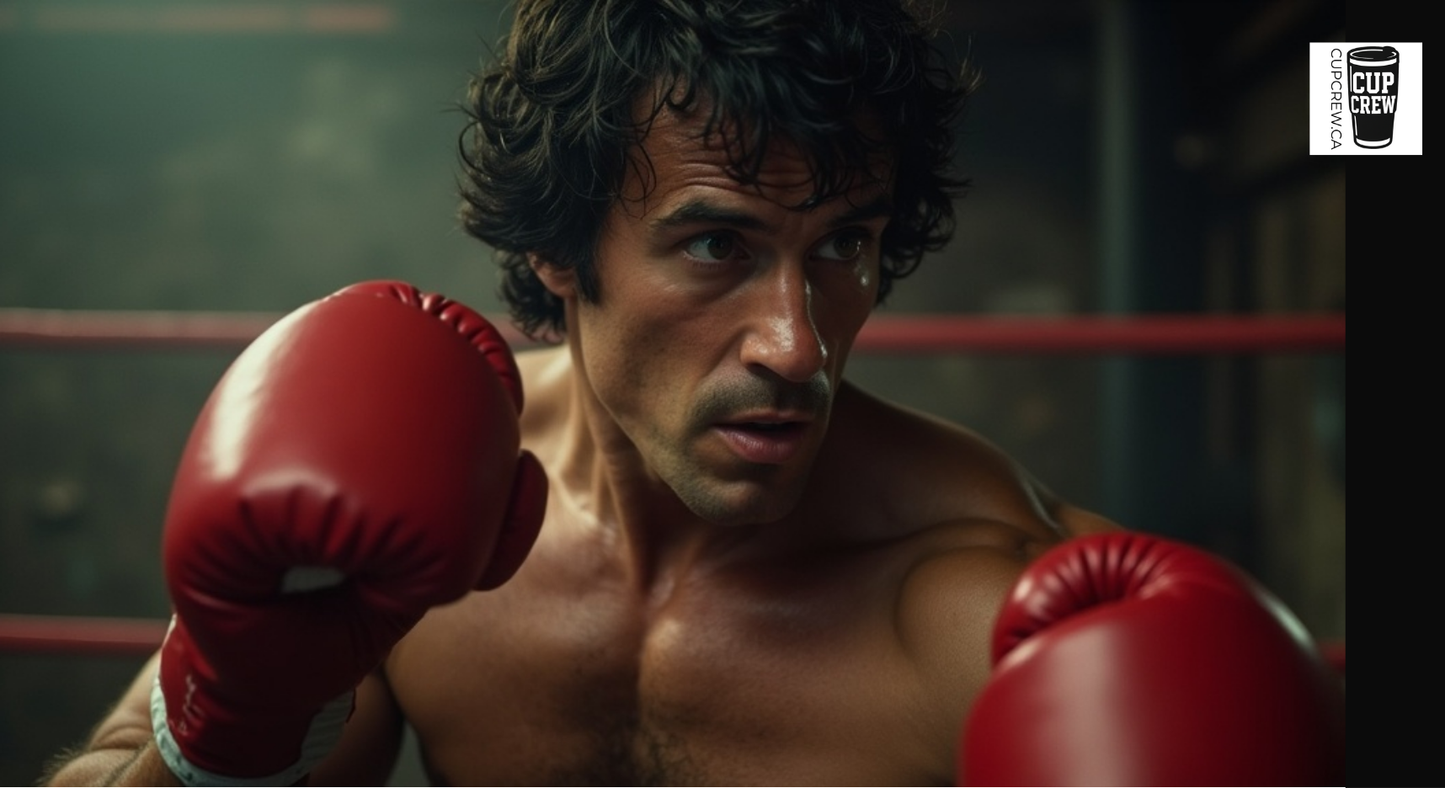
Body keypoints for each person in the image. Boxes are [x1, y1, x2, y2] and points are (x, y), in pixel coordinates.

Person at [45, 1, 1344, 785]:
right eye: (718, 244)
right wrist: (230, 723)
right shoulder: (421, 500)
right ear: (560, 252)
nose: (798, 344)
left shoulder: (985, 603)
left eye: (843, 245)